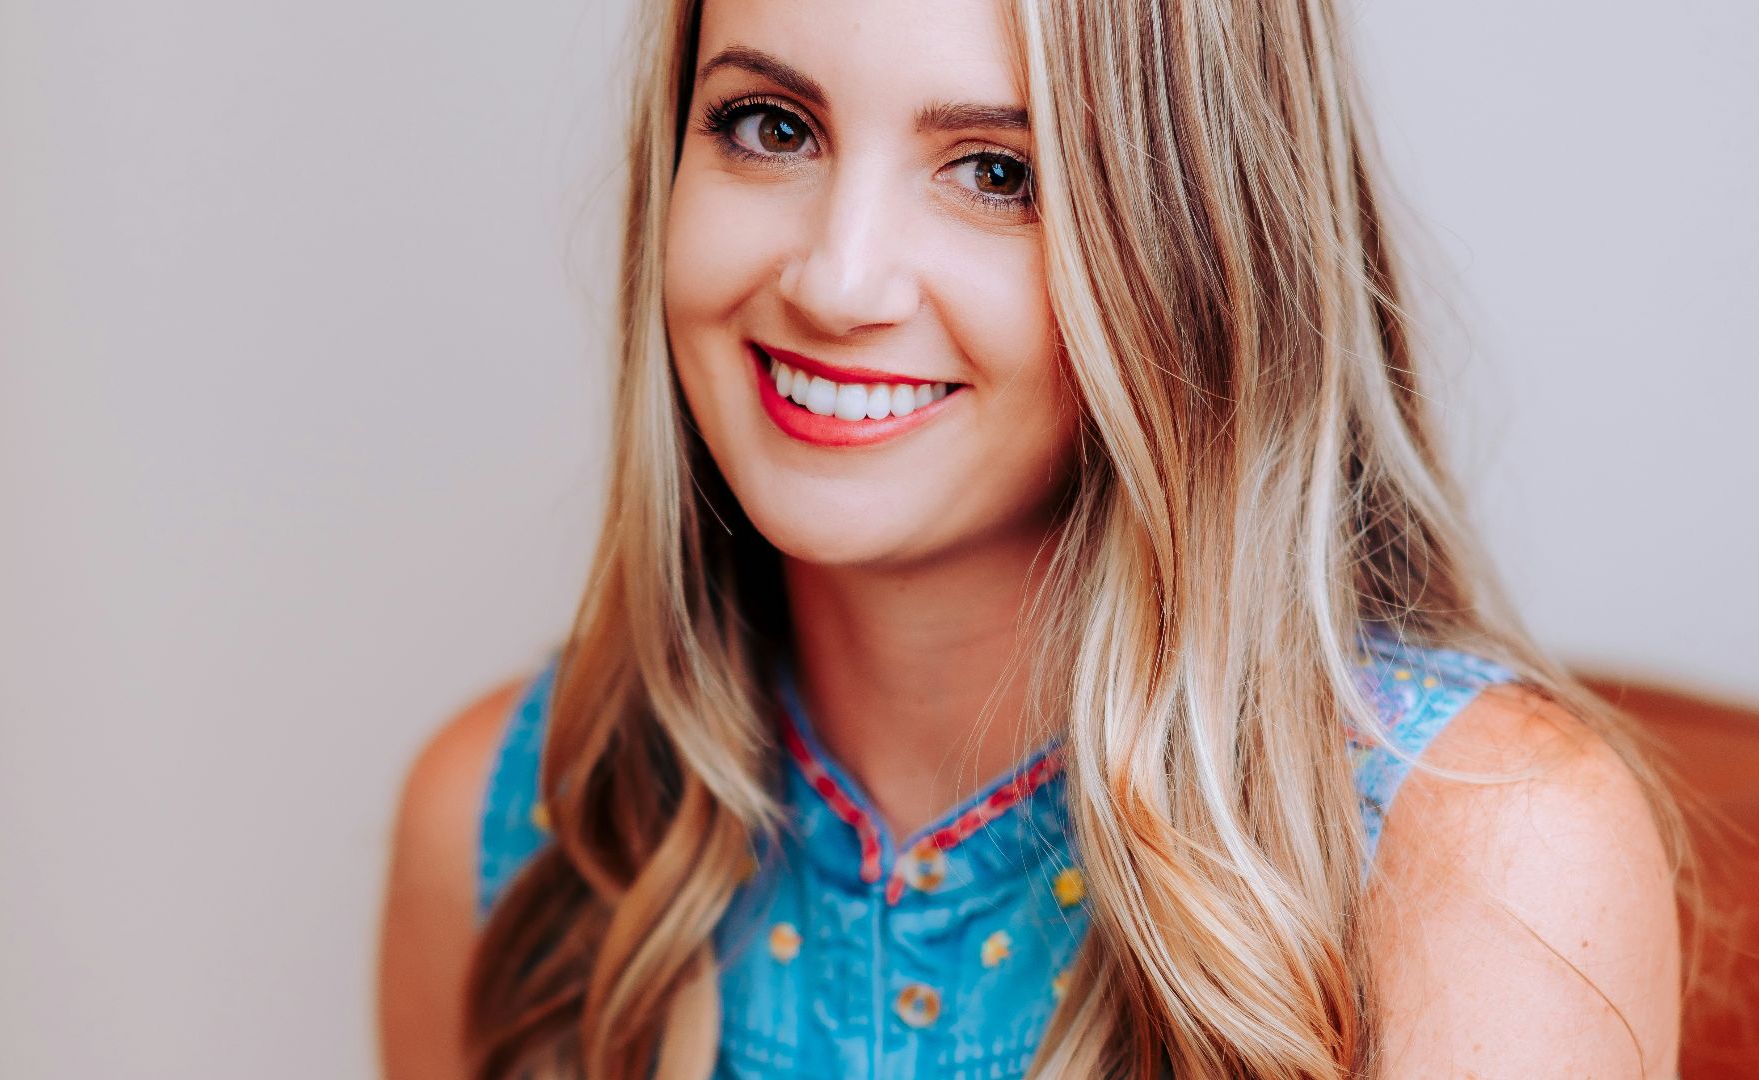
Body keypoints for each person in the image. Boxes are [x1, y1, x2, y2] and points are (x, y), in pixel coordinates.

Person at [378, 0, 1691, 1076]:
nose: (836, 281)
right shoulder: (502, 825)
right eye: (769, 127)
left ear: (1195, 250)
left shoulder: (1493, 857)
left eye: (998, 173)